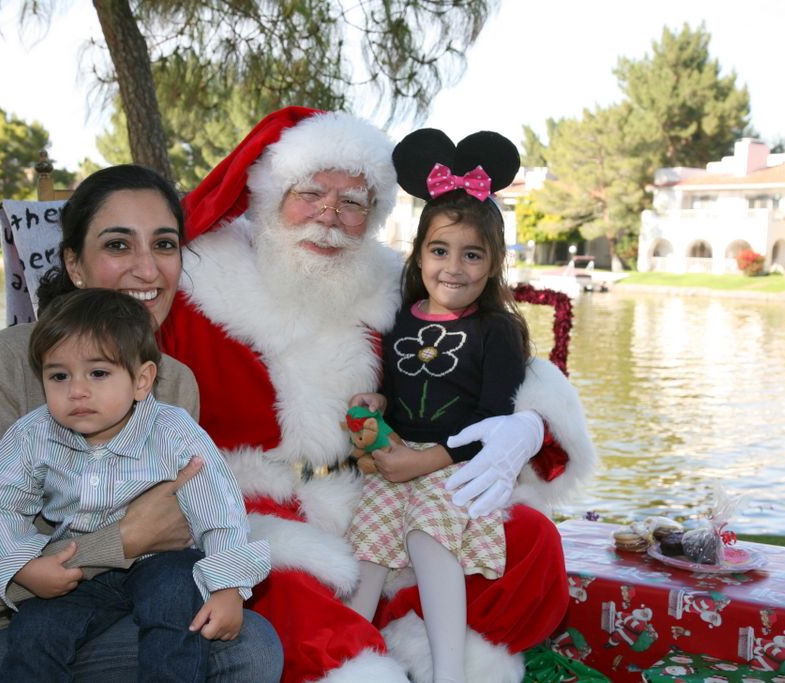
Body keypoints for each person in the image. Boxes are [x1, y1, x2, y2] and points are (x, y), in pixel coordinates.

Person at [159, 107, 597, 683]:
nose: (329, 218)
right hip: (255, 502)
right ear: (269, 194)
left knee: (530, 543)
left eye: (352, 203)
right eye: (310, 193)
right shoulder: (196, 283)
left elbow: (473, 360)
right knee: (282, 585)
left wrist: (531, 424)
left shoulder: (390, 285)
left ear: (374, 217)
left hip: (382, 487)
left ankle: (415, 640)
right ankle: (362, 660)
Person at [0, 165, 284, 683]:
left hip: (99, 619)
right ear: (75, 263)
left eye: (164, 244)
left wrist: (214, 574)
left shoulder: (173, 385)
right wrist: (121, 541)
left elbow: (188, 533)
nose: (147, 269)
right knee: (239, 651)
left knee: (228, 635)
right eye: (118, 245)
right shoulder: (1, 367)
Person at [0, 287, 271, 681]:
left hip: (162, 561)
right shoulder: (35, 434)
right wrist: (21, 566)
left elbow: (220, 510)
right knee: (35, 630)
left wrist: (229, 587)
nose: (77, 390)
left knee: (178, 610)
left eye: (98, 373)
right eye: (59, 375)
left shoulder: (174, 433)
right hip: (85, 572)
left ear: (142, 381)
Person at [344, 128, 531, 683]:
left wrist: (426, 462)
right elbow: (393, 388)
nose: (454, 267)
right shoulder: (402, 315)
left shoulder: (497, 331)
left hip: (456, 467)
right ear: (420, 253)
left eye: (472, 255)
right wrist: (375, 402)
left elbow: (494, 421)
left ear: (493, 263)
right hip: (392, 460)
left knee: (429, 536)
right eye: (440, 250)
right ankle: (351, 655)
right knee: (367, 544)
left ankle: (449, 671)